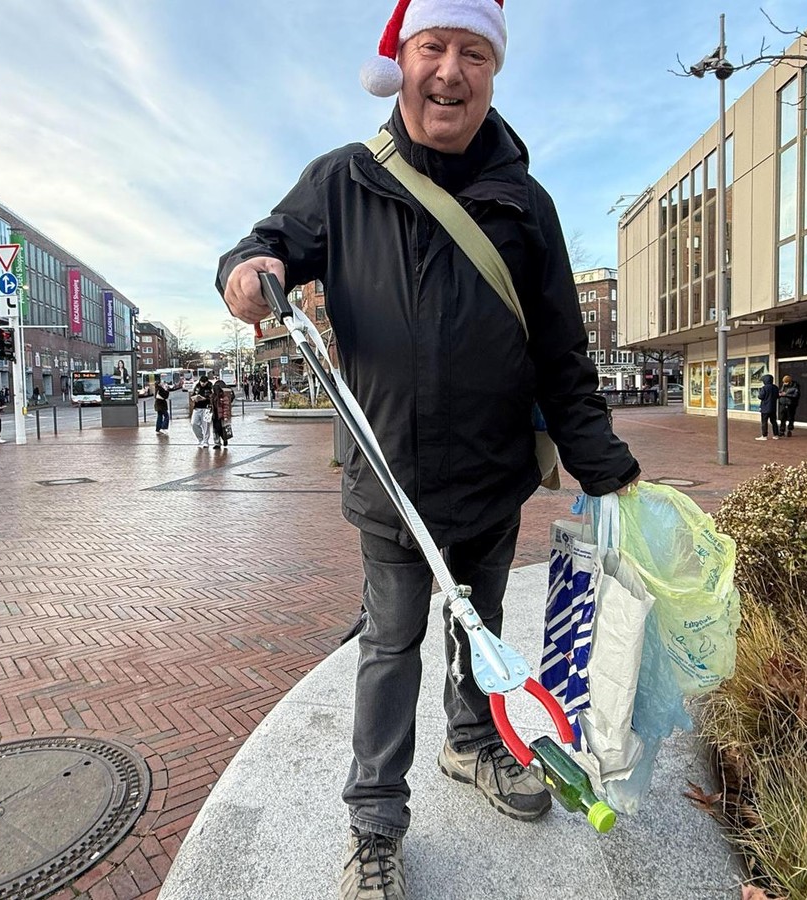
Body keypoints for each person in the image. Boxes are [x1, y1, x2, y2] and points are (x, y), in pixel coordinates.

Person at [218, 4, 640, 896]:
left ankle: (472, 741)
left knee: (479, 628)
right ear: (399, 64)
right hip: (391, 481)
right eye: (433, 48)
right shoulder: (341, 181)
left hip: (491, 479)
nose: (451, 71)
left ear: (494, 71)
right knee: (392, 638)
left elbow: (563, 351)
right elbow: (268, 246)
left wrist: (605, 468)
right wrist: (249, 275)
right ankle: (374, 820)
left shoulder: (527, 205)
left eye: (473, 53)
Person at [189, 372, 214, 447]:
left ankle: (206, 441)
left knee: (206, 425)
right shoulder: (197, 386)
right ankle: (200, 439)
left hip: (207, 408)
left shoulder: (210, 386)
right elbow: (193, 394)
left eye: (204, 382)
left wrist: (206, 398)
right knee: (194, 423)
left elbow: (213, 396)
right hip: (197, 407)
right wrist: (194, 398)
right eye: (201, 382)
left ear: (207, 382)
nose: (202, 384)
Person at [211, 379, 236, 450]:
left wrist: (225, 416)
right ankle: (217, 443)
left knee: (221, 428)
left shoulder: (223, 397)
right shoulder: (212, 396)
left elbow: (226, 406)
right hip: (215, 415)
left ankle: (224, 438)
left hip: (221, 416)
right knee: (215, 429)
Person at [756, 373, 779, 440]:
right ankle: (776, 435)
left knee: (764, 422)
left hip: (765, 407)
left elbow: (760, 396)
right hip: (773, 407)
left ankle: (764, 435)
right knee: (774, 421)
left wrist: (759, 394)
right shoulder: (775, 387)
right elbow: (777, 396)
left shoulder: (764, 388)